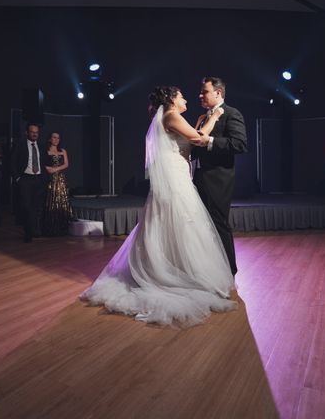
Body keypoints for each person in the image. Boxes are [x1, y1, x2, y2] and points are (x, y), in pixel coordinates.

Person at [80, 86, 236, 326]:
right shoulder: (172, 115)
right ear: (173, 99)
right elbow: (196, 139)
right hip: (175, 179)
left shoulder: (170, 117)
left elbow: (191, 137)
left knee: (175, 224)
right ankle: (176, 273)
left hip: (179, 175)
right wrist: (214, 117)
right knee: (181, 223)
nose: (186, 98)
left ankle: (175, 266)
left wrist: (200, 125)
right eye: (182, 95)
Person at [190, 77, 248, 276]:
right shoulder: (204, 116)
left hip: (218, 180)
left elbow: (240, 144)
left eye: (204, 91)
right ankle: (208, 269)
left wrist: (210, 141)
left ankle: (228, 271)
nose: (200, 95)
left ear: (218, 93)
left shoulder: (232, 114)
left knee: (218, 223)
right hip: (199, 177)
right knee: (202, 226)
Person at [11, 123, 46, 243]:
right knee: (26, 206)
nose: (34, 134)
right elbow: (12, 162)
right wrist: (17, 178)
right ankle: (28, 232)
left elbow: (44, 162)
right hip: (25, 179)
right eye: (32, 132)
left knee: (36, 207)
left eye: (36, 132)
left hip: (38, 179)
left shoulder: (41, 146)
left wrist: (44, 179)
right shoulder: (20, 145)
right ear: (27, 132)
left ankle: (33, 231)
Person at [42, 132, 71, 236]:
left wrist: (55, 169)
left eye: (58, 138)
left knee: (62, 201)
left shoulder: (63, 151)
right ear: (50, 139)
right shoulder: (46, 151)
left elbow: (66, 164)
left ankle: (62, 227)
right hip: (50, 180)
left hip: (61, 180)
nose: (56, 139)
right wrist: (49, 170)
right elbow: (45, 166)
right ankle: (51, 227)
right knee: (52, 200)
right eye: (54, 137)